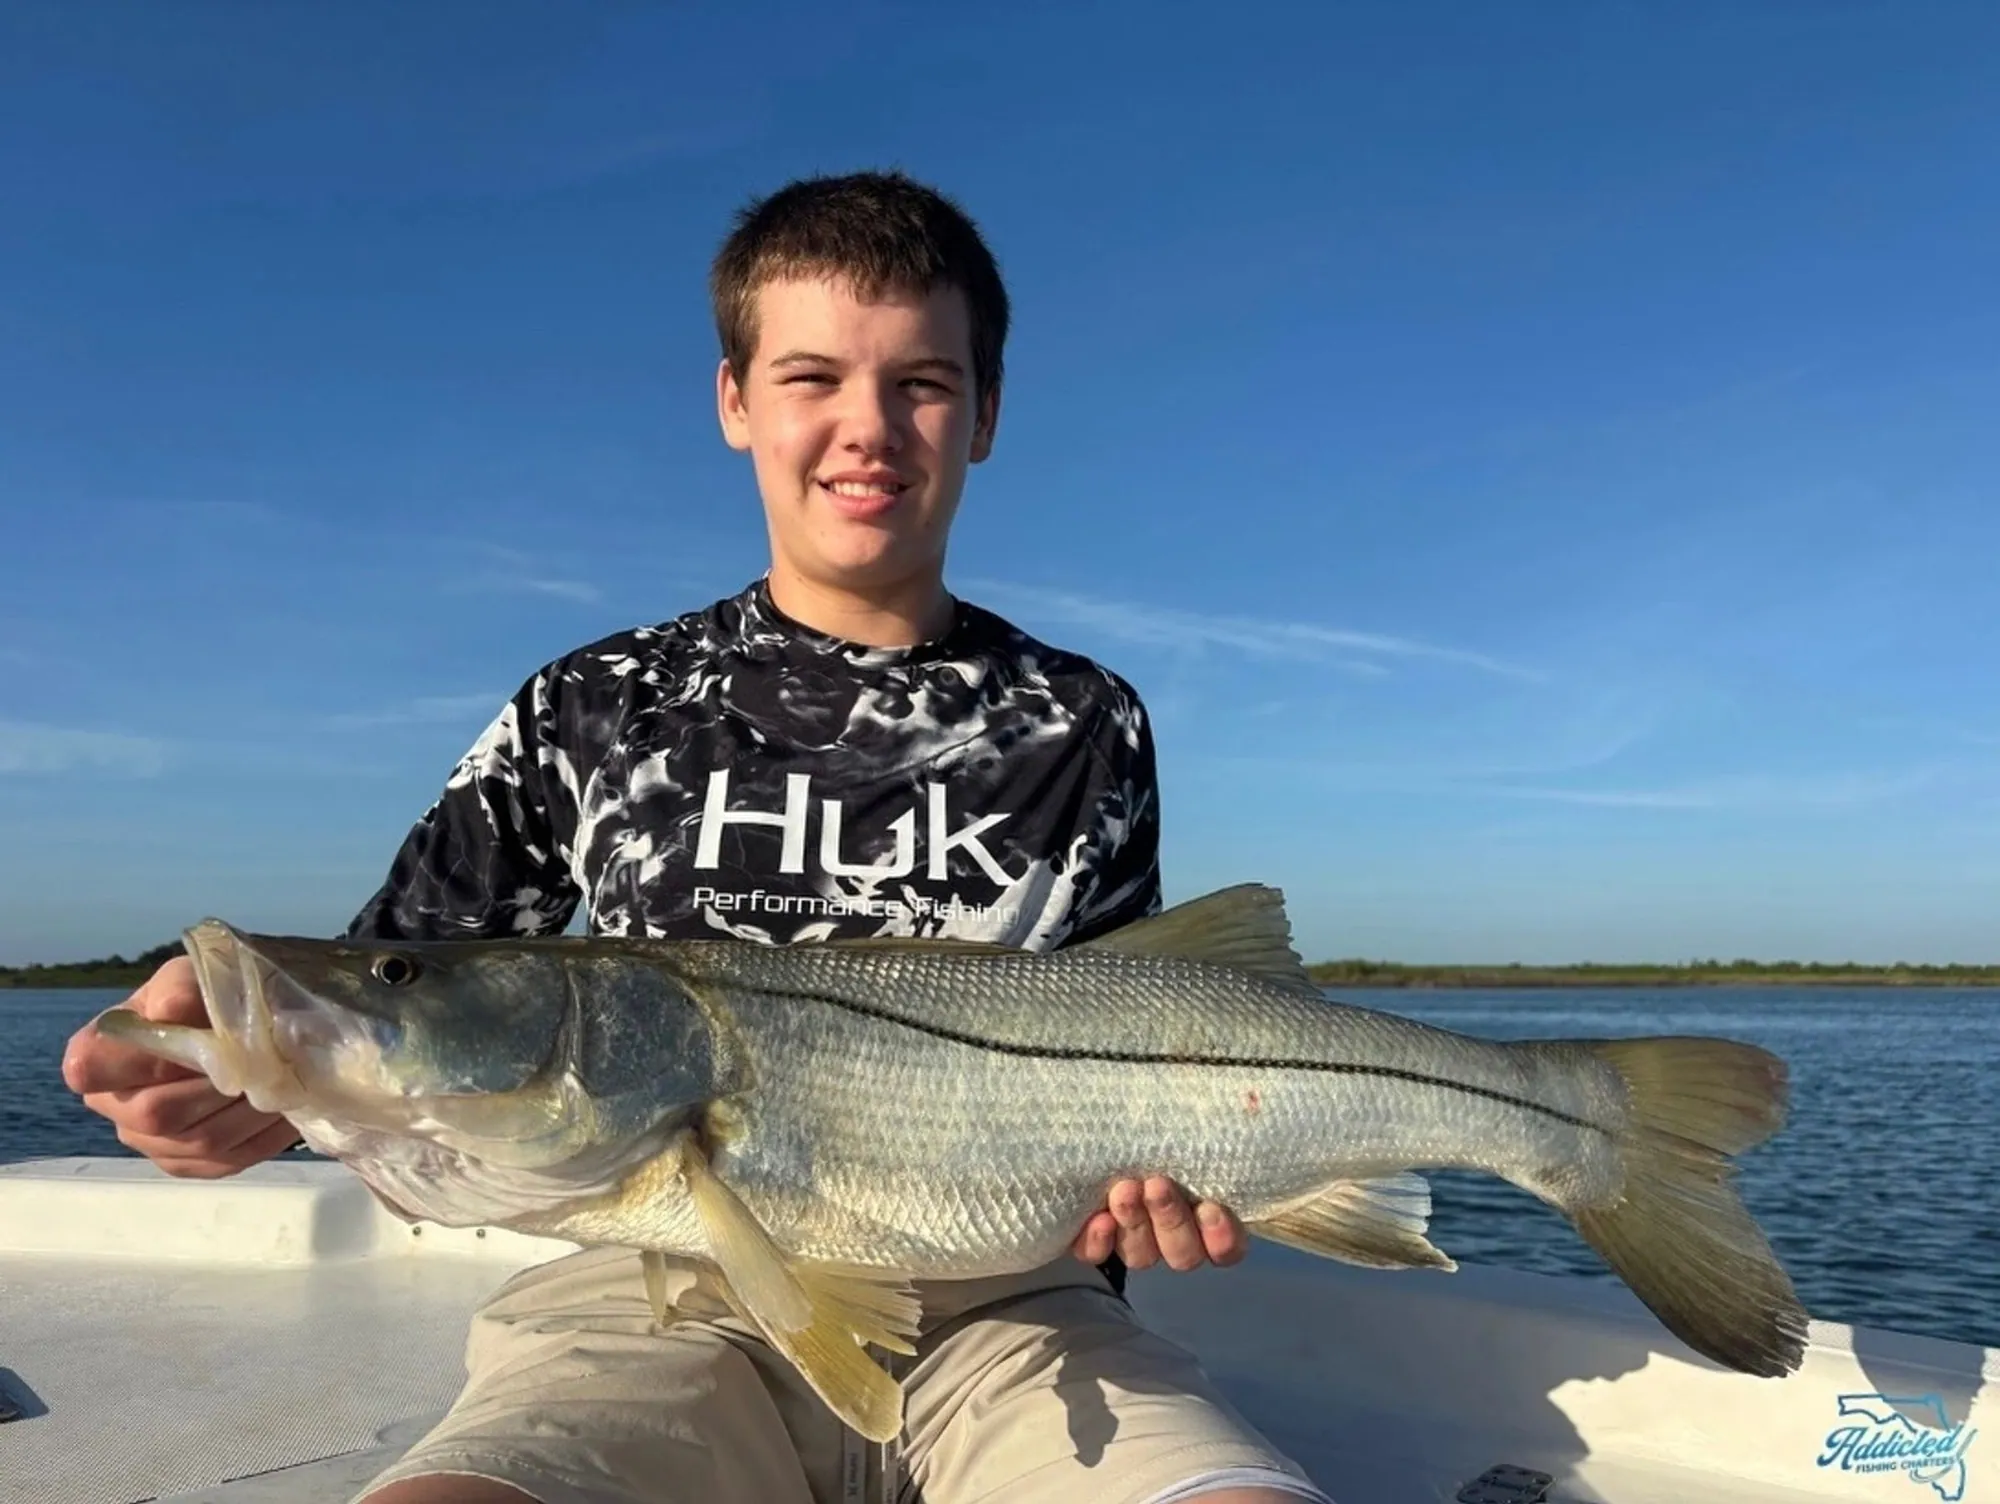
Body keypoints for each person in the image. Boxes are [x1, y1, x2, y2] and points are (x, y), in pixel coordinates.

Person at [64, 171, 1331, 1504]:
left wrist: (1166, 1190)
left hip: (1018, 1316)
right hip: (655, 1296)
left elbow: (1147, 1029)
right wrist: (239, 1085)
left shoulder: (1085, 718)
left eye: (923, 383)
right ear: (735, 401)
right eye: (810, 377)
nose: (868, 427)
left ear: (988, 416)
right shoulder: (591, 704)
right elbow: (402, 984)